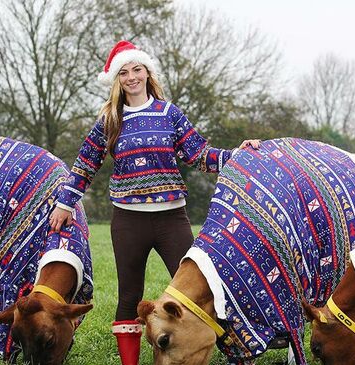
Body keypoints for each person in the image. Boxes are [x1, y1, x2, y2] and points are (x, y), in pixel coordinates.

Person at [48, 40, 260, 365]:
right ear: (117, 80)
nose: (132, 77)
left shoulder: (168, 113)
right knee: (129, 296)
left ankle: (213, 351)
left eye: (137, 69)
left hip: (172, 219)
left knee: (199, 288)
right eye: (124, 72)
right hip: (128, 221)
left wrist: (237, 155)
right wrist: (65, 203)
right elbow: (85, 164)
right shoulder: (110, 119)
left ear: (147, 72)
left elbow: (199, 153)